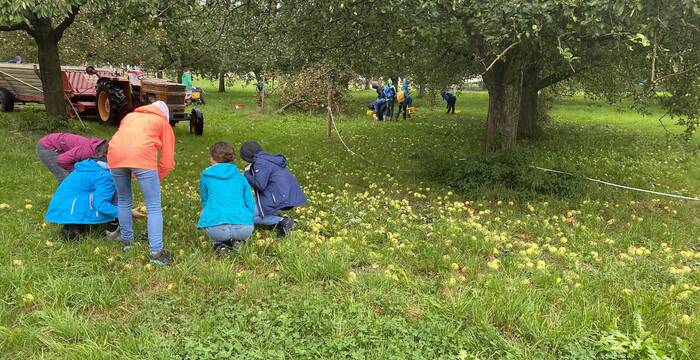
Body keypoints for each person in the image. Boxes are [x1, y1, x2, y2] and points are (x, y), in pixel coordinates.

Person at [108, 101, 175, 266]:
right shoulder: (163, 123)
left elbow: (127, 139)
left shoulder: (129, 116)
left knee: (123, 199)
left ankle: (127, 243)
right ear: (165, 115)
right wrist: (155, 177)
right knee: (153, 206)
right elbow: (167, 162)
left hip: (114, 155)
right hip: (142, 156)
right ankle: (156, 252)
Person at [198, 142, 255, 256]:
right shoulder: (240, 176)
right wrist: (247, 217)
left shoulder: (206, 177)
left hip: (217, 228)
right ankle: (238, 241)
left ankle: (218, 244)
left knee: (207, 216)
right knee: (242, 229)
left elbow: (205, 201)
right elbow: (251, 203)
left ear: (212, 158)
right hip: (244, 227)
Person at [239, 141, 307, 237]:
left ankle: (283, 222)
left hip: (280, 199)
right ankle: (278, 220)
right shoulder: (266, 159)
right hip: (286, 196)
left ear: (247, 156)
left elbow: (260, 185)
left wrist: (247, 174)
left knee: (246, 215)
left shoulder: (260, 163)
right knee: (251, 208)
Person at [44, 158, 118, 241]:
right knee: (117, 193)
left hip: (60, 207)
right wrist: (126, 212)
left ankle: (73, 226)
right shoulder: (105, 176)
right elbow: (101, 205)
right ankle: (113, 230)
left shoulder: (89, 166)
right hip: (74, 209)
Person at [37, 133, 107, 182]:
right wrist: (74, 172)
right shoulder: (86, 152)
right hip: (48, 147)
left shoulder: (99, 149)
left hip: (64, 151)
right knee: (67, 179)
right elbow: (62, 160)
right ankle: (62, 202)